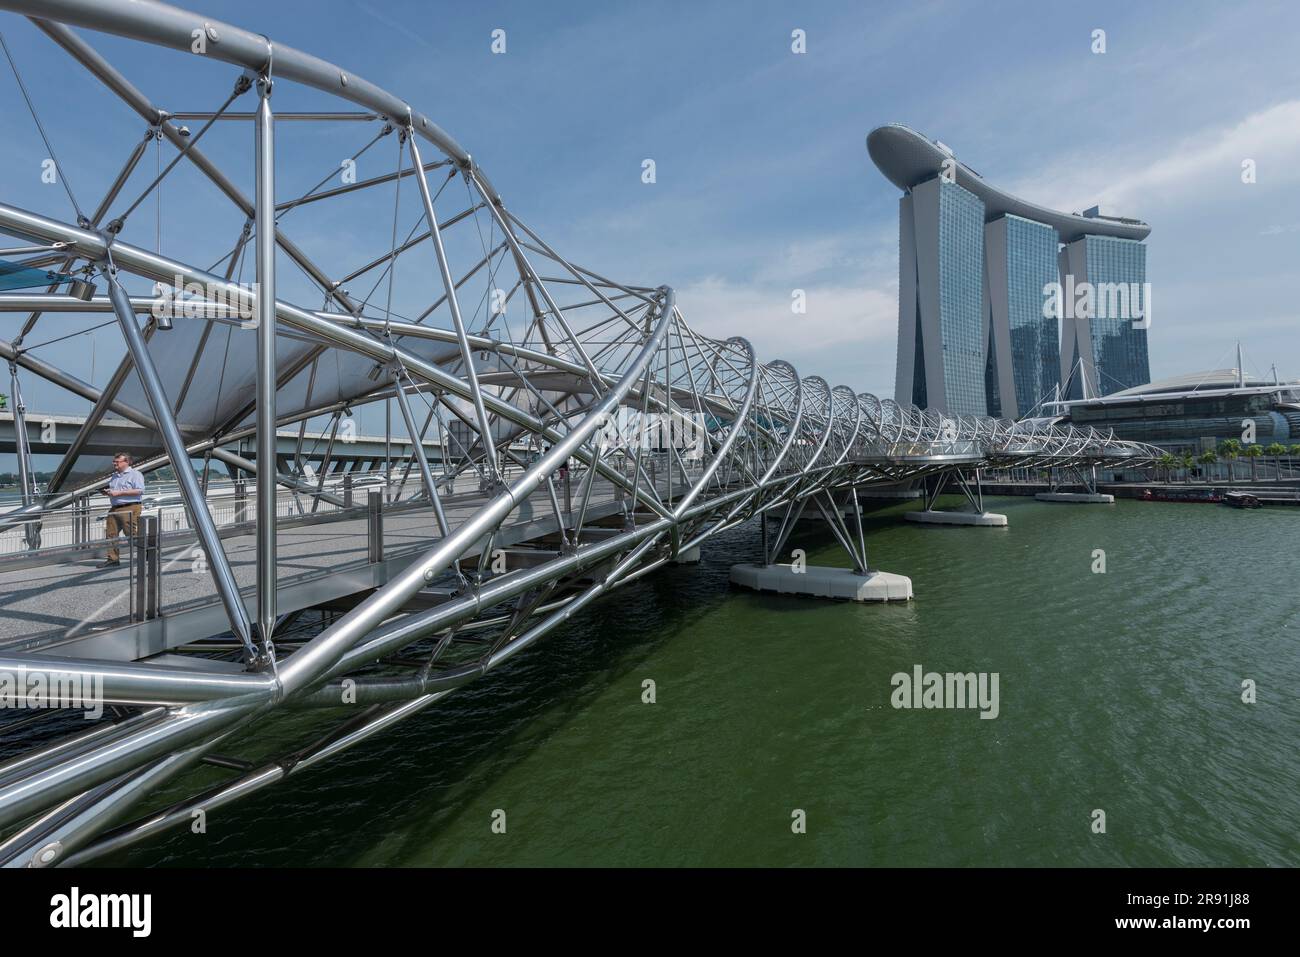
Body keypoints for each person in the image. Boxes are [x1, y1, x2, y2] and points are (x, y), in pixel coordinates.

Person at [102, 452, 144, 567]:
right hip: (114, 508)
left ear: (127, 462)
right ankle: (113, 559)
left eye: (117, 462)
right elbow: (116, 492)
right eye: (114, 461)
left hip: (130, 507)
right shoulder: (115, 476)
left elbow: (139, 490)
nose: (114, 463)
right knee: (111, 534)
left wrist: (119, 493)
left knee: (131, 533)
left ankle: (147, 551)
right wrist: (108, 493)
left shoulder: (135, 474)